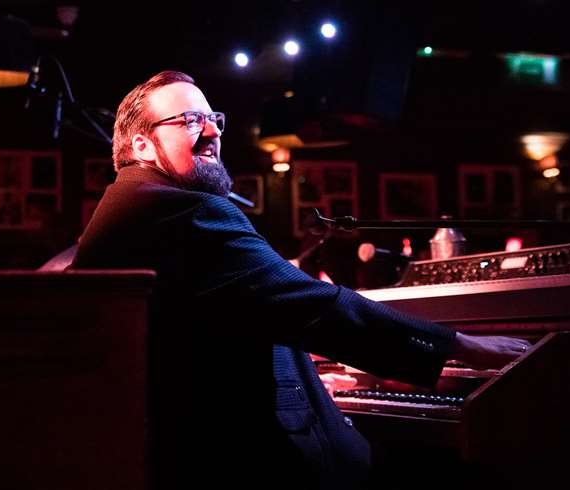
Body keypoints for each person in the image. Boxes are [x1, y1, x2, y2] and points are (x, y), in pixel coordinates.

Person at [70, 71, 529, 489]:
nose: (211, 131)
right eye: (190, 120)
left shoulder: (123, 207)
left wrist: (311, 372)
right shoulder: (180, 208)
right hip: (238, 458)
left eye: (213, 119)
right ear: (142, 145)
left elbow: (228, 319)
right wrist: (460, 345)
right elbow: (309, 304)